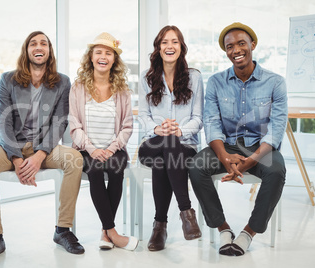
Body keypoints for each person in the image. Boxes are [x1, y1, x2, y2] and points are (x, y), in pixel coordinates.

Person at [0, 31, 84, 263]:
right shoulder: (8, 80)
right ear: (27, 50)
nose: (39, 47)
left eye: (43, 43)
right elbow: (2, 122)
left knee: (75, 159)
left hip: (43, 147)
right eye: (33, 43)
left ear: (49, 50)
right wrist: (16, 159)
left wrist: (39, 156)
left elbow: (59, 122)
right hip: (10, 147)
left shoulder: (62, 82)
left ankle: (62, 230)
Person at [189, 22, 287, 256]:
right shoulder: (216, 81)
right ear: (226, 51)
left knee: (276, 171)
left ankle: (248, 232)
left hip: (260, 146)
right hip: (227, 145)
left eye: (241, 43)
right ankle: (223, 229)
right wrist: (224, 157)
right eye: (230, 46)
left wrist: (251, 160)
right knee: (196, 166)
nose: (236, 50)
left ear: (252, 45)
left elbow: (276, 128)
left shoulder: (275, 82)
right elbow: (211, 123)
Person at [69, 32, 138, 251]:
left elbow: (127, 126)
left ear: (114, 60)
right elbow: (74, 124)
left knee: (117, 172)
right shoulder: (78, 87)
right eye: (98, 52)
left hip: (113, 149)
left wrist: (111, 149)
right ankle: (112, 232)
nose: (103, 56)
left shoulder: (122, 90)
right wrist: (91, 149)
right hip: (85, 150)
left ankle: (105, 232)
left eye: (108, 53)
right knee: (96, 172)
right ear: (91, 57)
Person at [138, 25, 204, 251]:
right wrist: (158, 129)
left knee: (165, 157)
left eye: (174, 41)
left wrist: (179, 132)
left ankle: (159, 226)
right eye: (165, 42)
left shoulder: (194, 77)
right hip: (151, 144)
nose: (170, 46)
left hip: (185, 147)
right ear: (158, 47)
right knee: (165, 146)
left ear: (181, 47)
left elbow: (198, 118)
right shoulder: (146, 79)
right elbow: (143, 116)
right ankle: (186, 212)